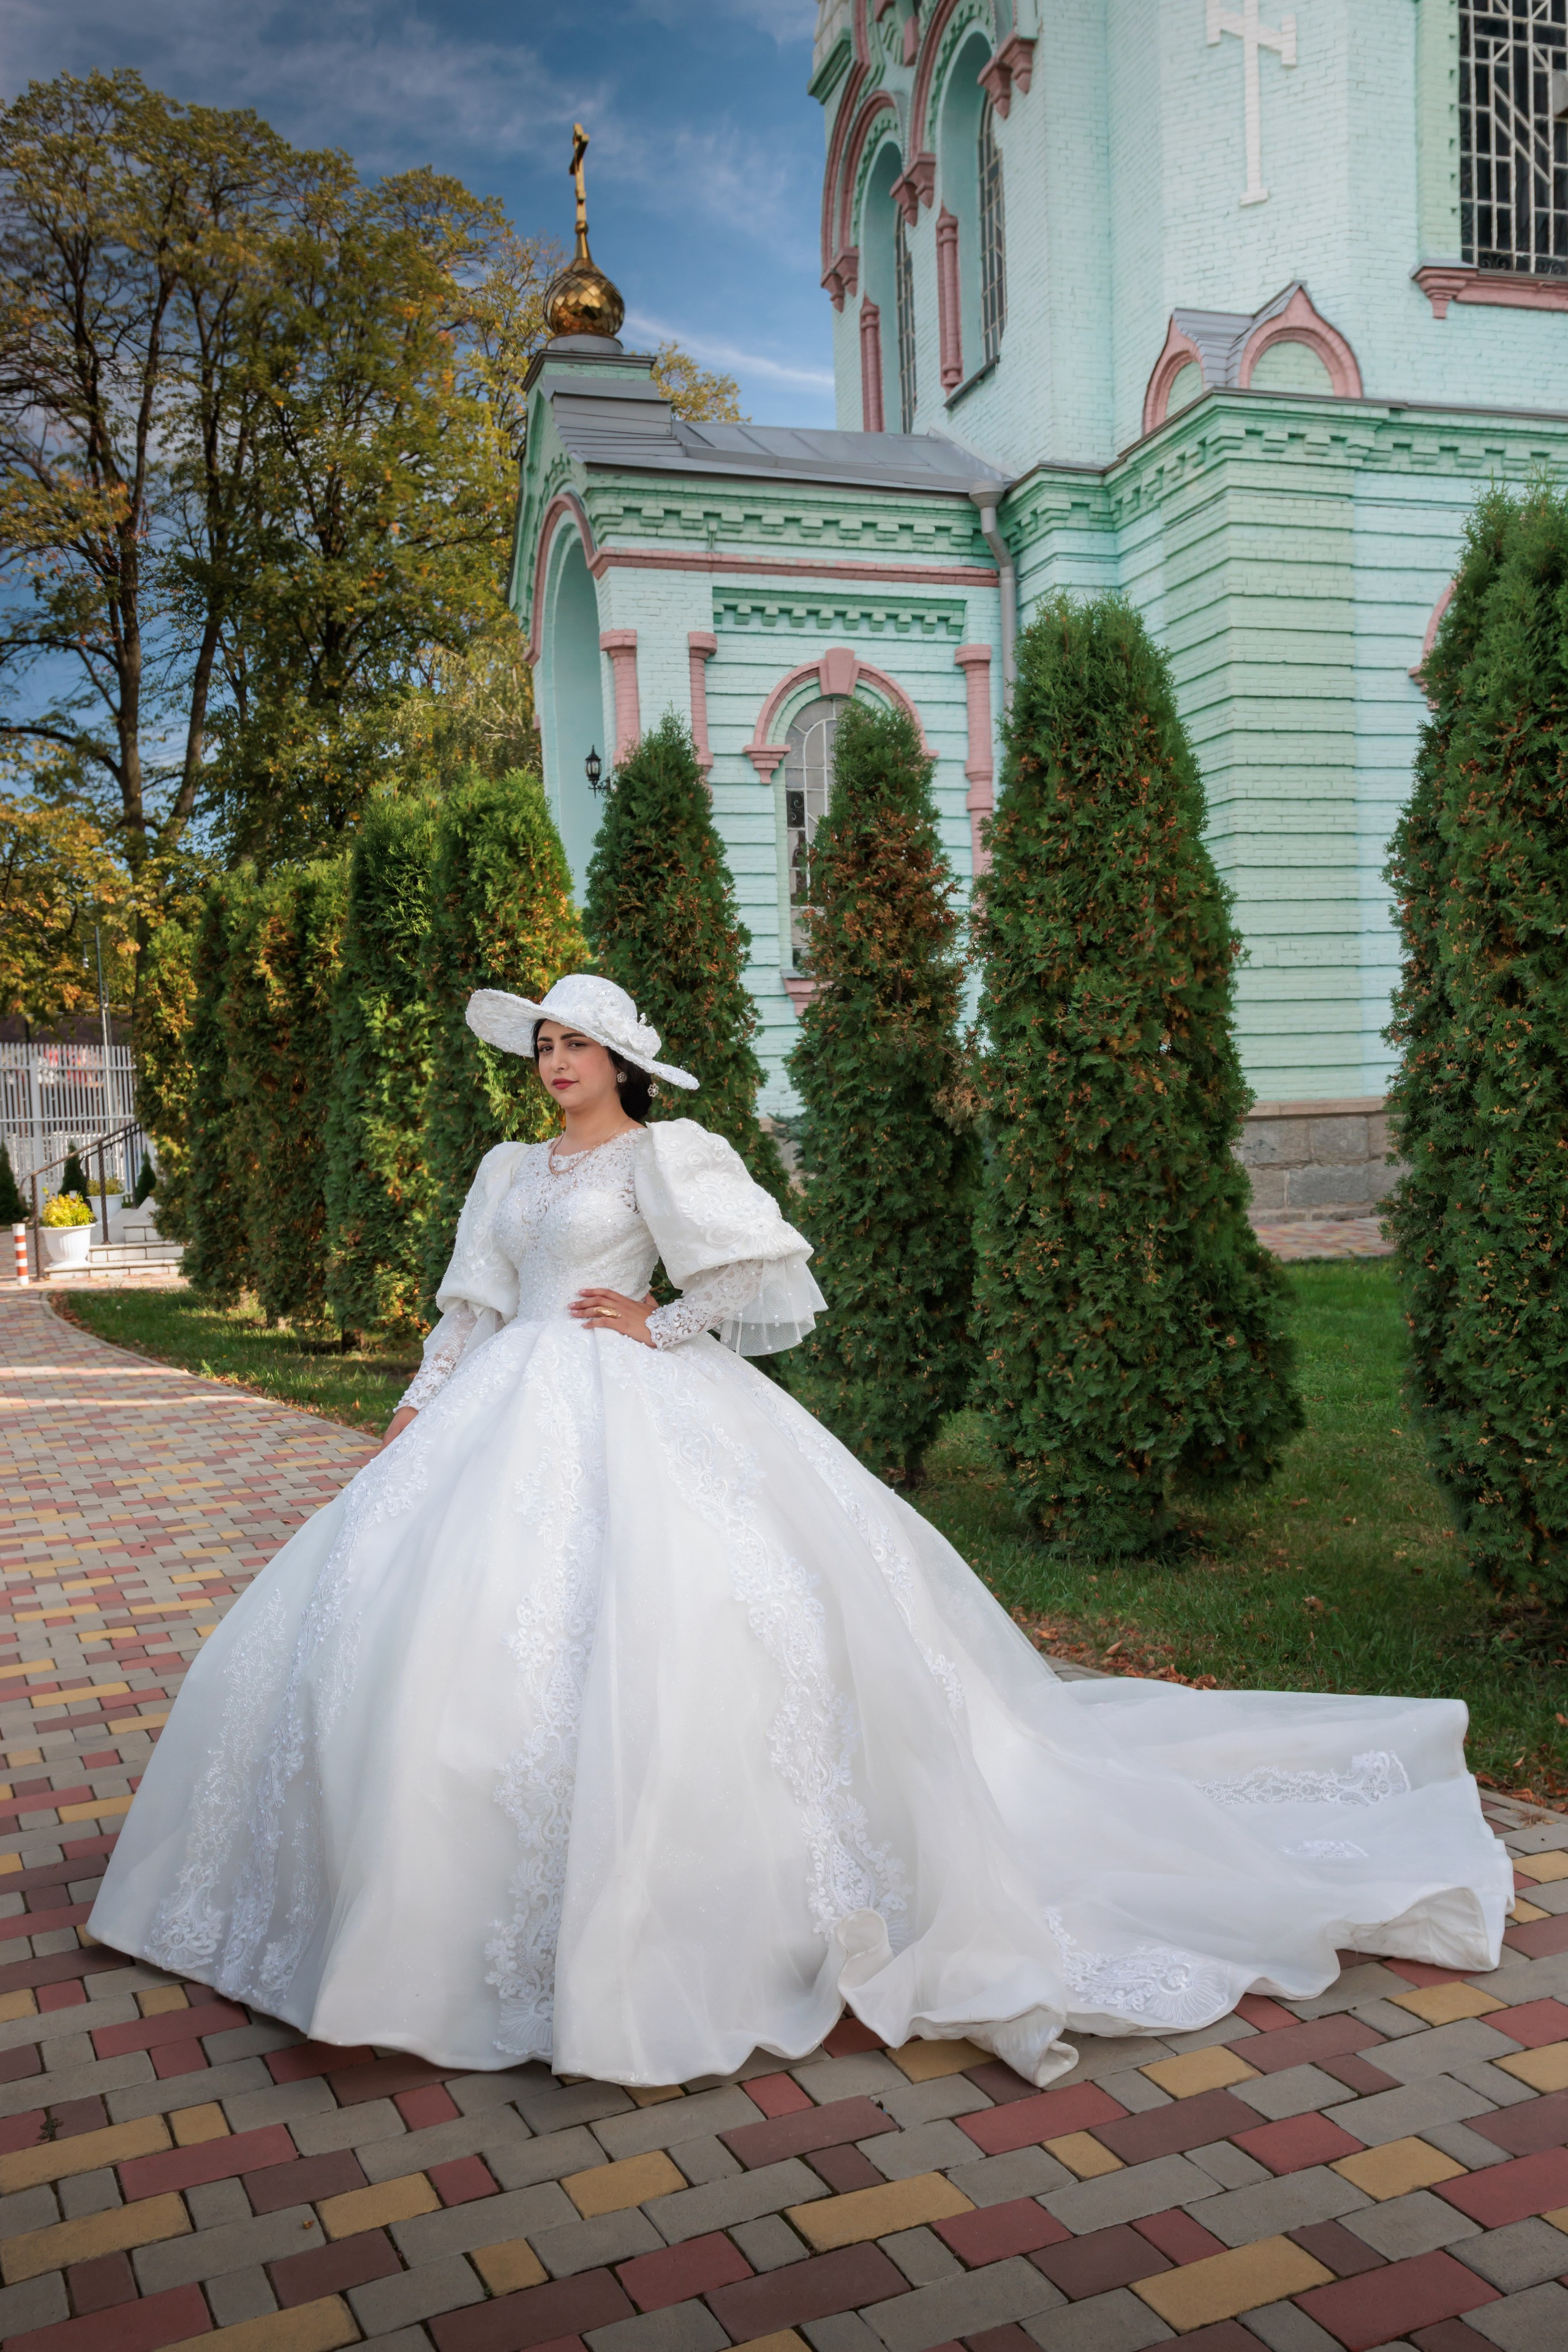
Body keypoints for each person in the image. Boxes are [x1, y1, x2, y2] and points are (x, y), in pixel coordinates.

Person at [90, 976, 1510, 2089]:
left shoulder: (664, 1154)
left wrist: (661, 1322)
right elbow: (469, 1305)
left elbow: (762, 1270)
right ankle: (408, 1920)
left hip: (628, 1399)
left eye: (578, 1045)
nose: (556, 1063)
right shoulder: (505, 1170)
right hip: (496, 1410)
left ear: (623, 1062)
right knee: (429, 1634)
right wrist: (417, 1406)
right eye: (545, 1045)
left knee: (686, 1631)